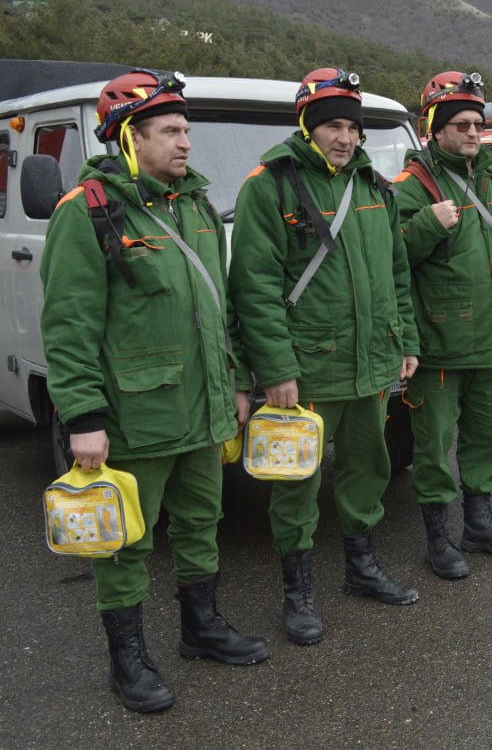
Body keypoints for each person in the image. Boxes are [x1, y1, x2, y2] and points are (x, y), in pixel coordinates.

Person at [42, 69, 268, 713]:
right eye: (170, 131)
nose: (186, 143)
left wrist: (237, 383)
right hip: (135, 413)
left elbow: (220, 308)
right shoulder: (87, 211)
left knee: (203, 521)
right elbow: (69, 326)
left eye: (186, 130)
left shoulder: (195, 205)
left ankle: (202, 628)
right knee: (126, 542)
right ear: (129, 140)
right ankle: (128, 660)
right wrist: (83, 416)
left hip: (202, 408)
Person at [230, 67, 420, 646]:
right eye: (333, 125)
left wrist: (406, 340)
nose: (345, 137)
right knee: (296, 484)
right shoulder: (269, 186)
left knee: (369, 471)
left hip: (371, 365)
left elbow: (395, 274)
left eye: (352, 128)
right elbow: (255, 290)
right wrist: (277, 370)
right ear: (308, 127)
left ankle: (361, 569)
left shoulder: (374, 187)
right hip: (309, 369)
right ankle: (299, 593)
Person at [394, 70, 492, 573]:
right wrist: (429, 224)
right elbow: (393, 259)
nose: (473, 132)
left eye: (478, 123)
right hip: (439, 346)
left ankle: (479, 525)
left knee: (488, 440)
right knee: (433, 449)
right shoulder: (412, 186)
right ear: (434, 129)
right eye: (461, 125)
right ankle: (437, 539)